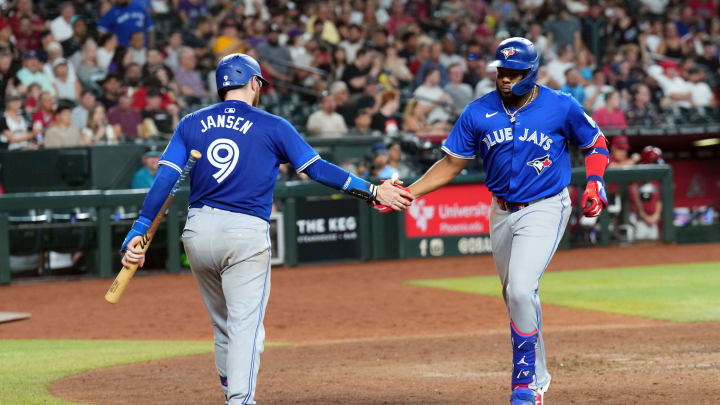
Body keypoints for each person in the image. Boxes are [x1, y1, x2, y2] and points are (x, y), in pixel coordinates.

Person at [119, 53, 411, 405]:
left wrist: (139, 228)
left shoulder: (191, 122)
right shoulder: (274, 125)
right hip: (244, 234)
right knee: (246, 325)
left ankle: (231, 389)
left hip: (197, 233)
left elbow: (165, 180)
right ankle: (240, 400)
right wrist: (374, 190)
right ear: (254, 83)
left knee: (223, 323)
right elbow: (317, 169)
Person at [384, 38, 609, 405]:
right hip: (501, 210)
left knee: (521, 289)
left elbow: (596, 143)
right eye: (501, 72)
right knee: (515, 295)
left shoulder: (560, 106)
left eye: (513, 73)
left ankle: (524, 385)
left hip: (545, 205)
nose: (505, 79)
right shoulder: (477, 111)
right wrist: (411, 192)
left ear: (531, 73)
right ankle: (538, 376)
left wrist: (596, 182)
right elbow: (452, 163)